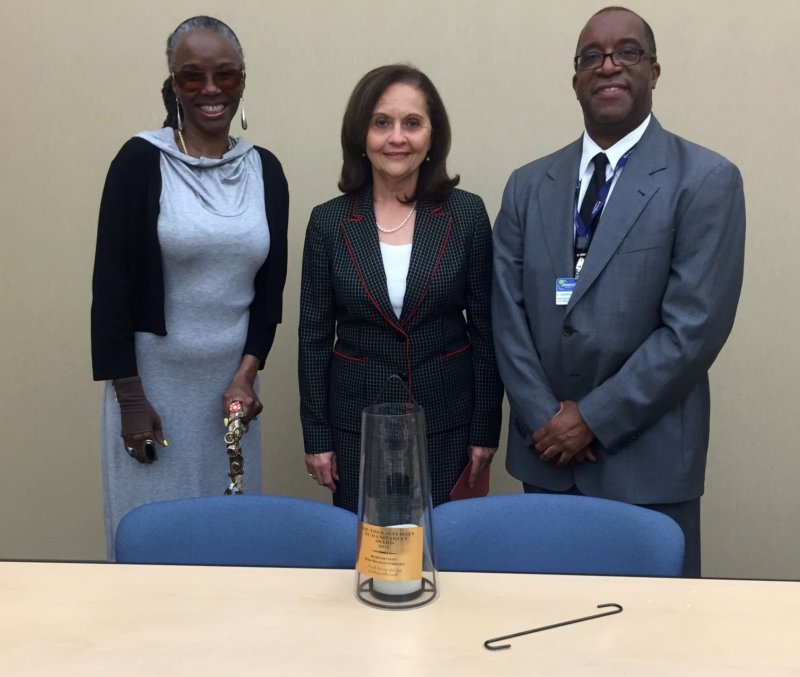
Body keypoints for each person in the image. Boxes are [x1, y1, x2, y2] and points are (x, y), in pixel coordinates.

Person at [492, 6, 745, 577]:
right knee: (548, 636)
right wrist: (544, 418)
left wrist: (593, 419)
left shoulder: (705, 180)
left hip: (647, 463)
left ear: (654, 71)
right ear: (575, 78)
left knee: (652, 644)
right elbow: (505, 315)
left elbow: (693, 330)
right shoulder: (528, 185)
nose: (608, 66)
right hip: (548, 461)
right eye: (591, 57)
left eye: (627, 52)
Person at [91, 16, 289, 558]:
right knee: (153, 540)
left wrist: (247, 376)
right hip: (152, 390)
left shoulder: (264, 170)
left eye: (225, 75)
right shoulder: (139, 162)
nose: (210, 90)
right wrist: (130, 399)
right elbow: (110, 289)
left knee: (230, 542)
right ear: (173, 83)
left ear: (243, 80)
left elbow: (270, 294)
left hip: (232, 394)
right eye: (192, 76)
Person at [299, 64, 503, 513]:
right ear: (361, 134)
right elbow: (313, 338)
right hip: (357, 428)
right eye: (381, 122)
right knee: (369, 559)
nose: (397, 138)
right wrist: (317, 436)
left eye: (412, 123)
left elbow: (487, 332)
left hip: (447, 425)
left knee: (443, 556)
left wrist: (485, 428)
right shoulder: (328, 222)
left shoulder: (466, 216)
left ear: (433, 135)